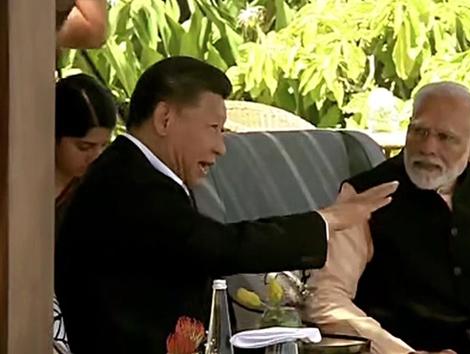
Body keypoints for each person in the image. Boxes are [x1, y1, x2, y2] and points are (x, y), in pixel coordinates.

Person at [55, 56, 399, 354]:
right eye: (214, 128)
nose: (221, 146)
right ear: (164, 119)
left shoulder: (140, 173)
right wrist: (324, 221)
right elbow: (218, 245)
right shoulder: (129, 182)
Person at [304, 82, 470, 354]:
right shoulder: (365, 195)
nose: (427, 147)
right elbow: (326, 298)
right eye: (419, 131)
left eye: (445, 137)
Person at [54, 73, 118, 354]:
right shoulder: (20, 189)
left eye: (103, 146)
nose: (95, 157)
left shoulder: (97, 187)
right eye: (84, 147)